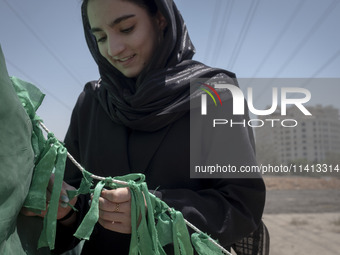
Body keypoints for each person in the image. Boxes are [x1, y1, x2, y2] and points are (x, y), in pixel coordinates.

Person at [25, 0, 267, 254]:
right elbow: (79, 200)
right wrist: (65, 211)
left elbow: (240, 208)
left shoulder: (216, 94)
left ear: (160, 19)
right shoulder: (92, 102)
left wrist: (154, 212)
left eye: (126, 28)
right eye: (100, 37)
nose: (113, 48)